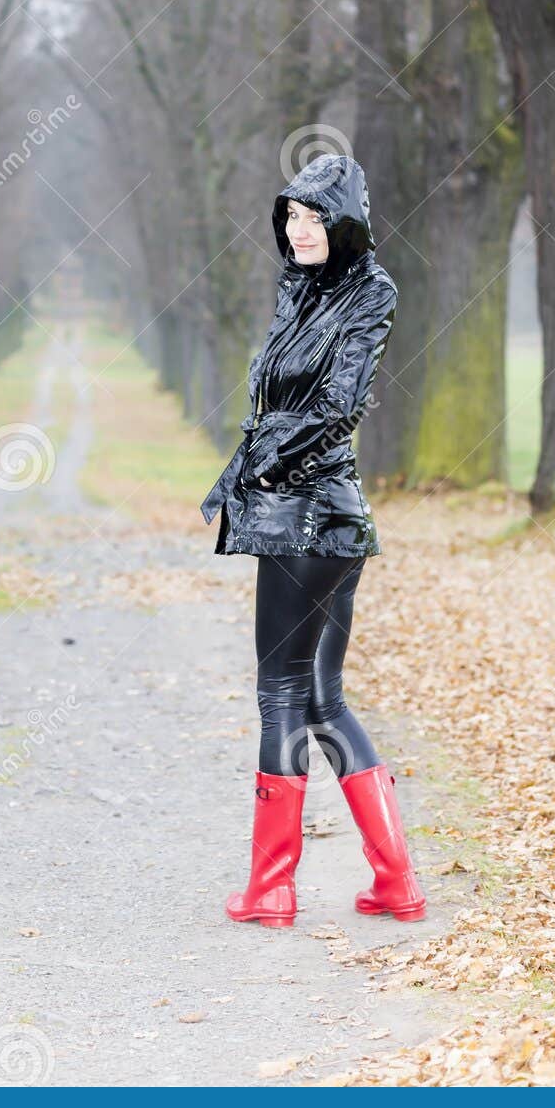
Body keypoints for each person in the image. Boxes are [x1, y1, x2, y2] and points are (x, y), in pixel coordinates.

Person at [200, 153, 426, 929]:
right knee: (322, 697)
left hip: (311, 522)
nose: (299, 230)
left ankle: (271, 888)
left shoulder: (371, 292)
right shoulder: (299, 292)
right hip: (322, 523)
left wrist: (257, 470)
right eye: (291, 217)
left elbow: (337, 407)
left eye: (313, 216)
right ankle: (396, 882)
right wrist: (247, 468)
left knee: (280, 695)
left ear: (345, 220)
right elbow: (277, 406)